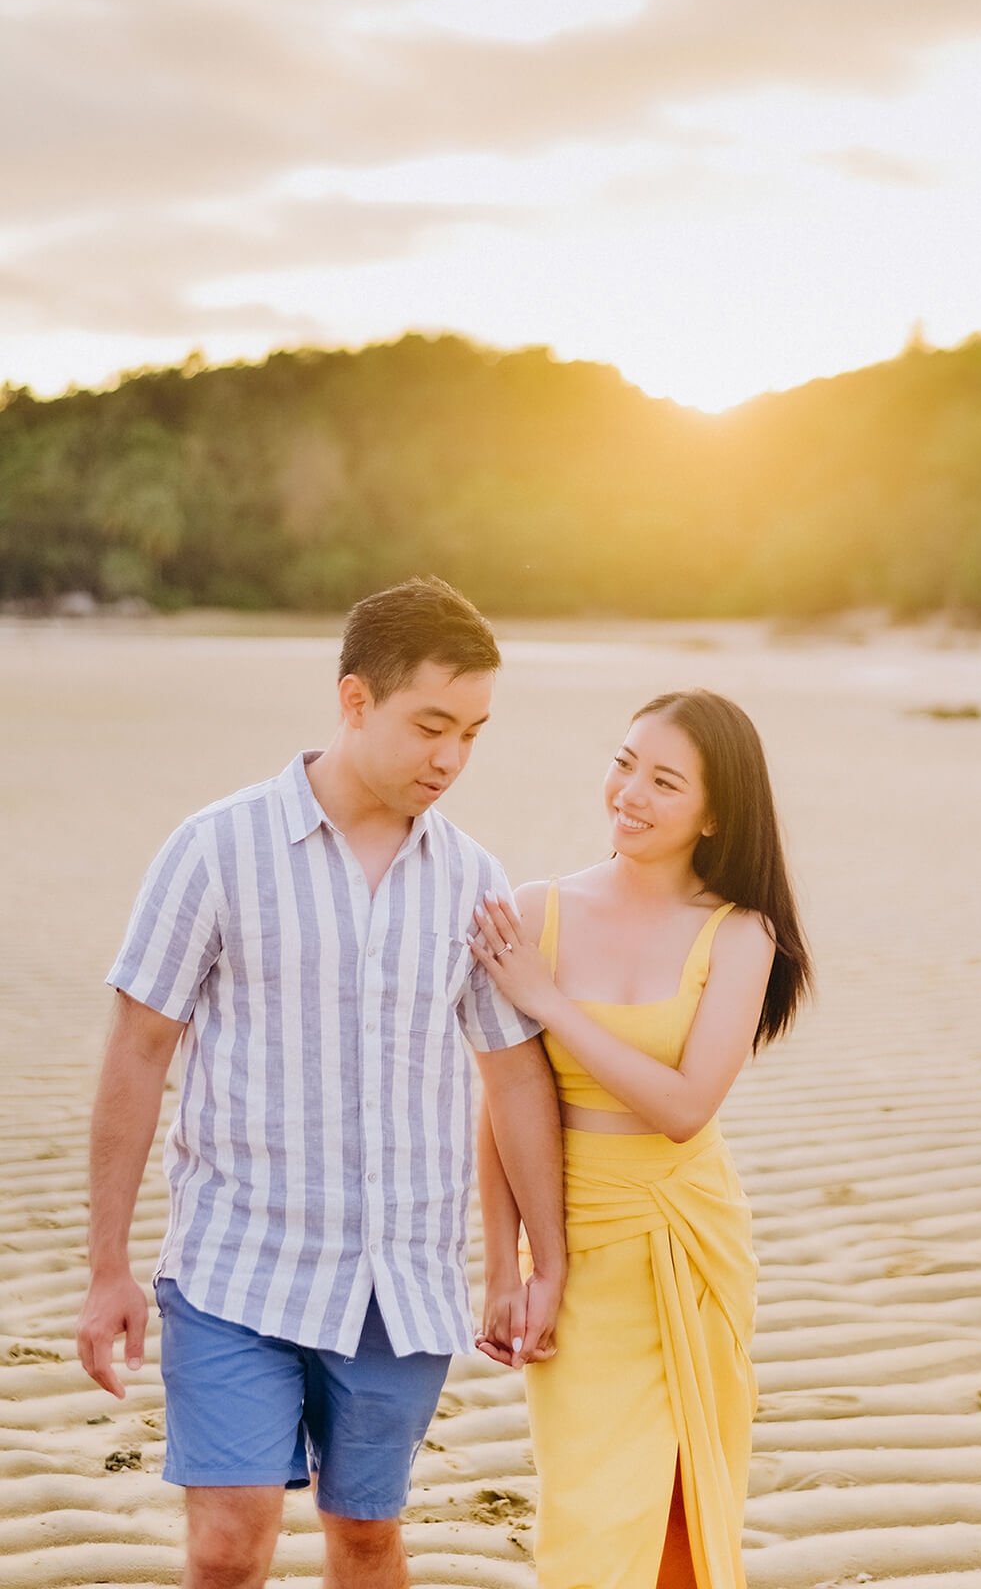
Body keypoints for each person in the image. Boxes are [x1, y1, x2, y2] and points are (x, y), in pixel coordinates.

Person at [76, 577, 566, 1589]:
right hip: (234, 1271)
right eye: (430, 724)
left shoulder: (472, 876)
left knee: (366, 1539)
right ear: (353, 699)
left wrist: (525, 1261)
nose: (451, 757)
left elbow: (513, 1076)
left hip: (399, 1282)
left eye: (472, 732)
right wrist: (106, 1265)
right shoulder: (215, 847)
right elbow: (136, 1049)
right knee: (225, 1543)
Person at [469, 687, 813, 1589]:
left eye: (665, 782)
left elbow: (685, 1106)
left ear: (713, 815)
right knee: (588, 1515)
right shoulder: (533, 911)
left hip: (688, 1236)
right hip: (573, 1237)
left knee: (680, 1513)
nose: (630, 793)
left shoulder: (742, 934)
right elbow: (504, 1102)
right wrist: (507, 1268)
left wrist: (548, 1003)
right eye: (624, 763)